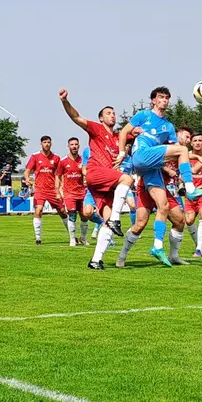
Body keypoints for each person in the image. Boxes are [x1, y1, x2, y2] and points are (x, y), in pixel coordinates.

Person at [109, 88, 202, 268]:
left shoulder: (168, 126)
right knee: (183, 151)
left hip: (151, 170)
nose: (165, 101)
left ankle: (153, 249)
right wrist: (123, 152)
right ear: (154, 100)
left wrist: (197, 156)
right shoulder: (143, 115)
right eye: (161, 97)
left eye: (167, 98)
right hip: (141, 156)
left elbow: (178, 150)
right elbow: (124, 132)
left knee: (162, 210)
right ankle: (191, 189)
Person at [60, 90, 129, 270]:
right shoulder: (96, 129)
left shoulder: (119, 137)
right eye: (108, 113)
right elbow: (76, 117)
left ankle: (95, 260)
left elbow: (136, 131)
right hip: (95, 173)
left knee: (106, 222)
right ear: (100, 118)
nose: (112, 115)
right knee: (127, 179)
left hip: (106, 184)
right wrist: (65, 101)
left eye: (113, 113)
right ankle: (115, 219)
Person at [23, 136, 72, 245]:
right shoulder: (35, 156)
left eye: (48, 142)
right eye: (44, 142)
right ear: (41, 144)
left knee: (63, 212)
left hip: (53, 190)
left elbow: (60, 174)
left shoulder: (56, 158)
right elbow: (27, 171)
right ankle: (38, 239)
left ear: (51, 144)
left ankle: (72, 237)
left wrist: (61, 188)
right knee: (38, 210)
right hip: (40, 190)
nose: (47, 144)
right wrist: (27, 179)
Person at [60, 137, 89, 246]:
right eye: (72, 144)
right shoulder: (63, 161)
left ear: (79, 146)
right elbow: (58, 176)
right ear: (68, 146)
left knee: (84, 215)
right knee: (72, 215)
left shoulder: (83, 161)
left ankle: (83, 238)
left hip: (82, 192)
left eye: (76, 144)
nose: (74, 146)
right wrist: (58, 190)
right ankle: (72, 239)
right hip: (69, 193)